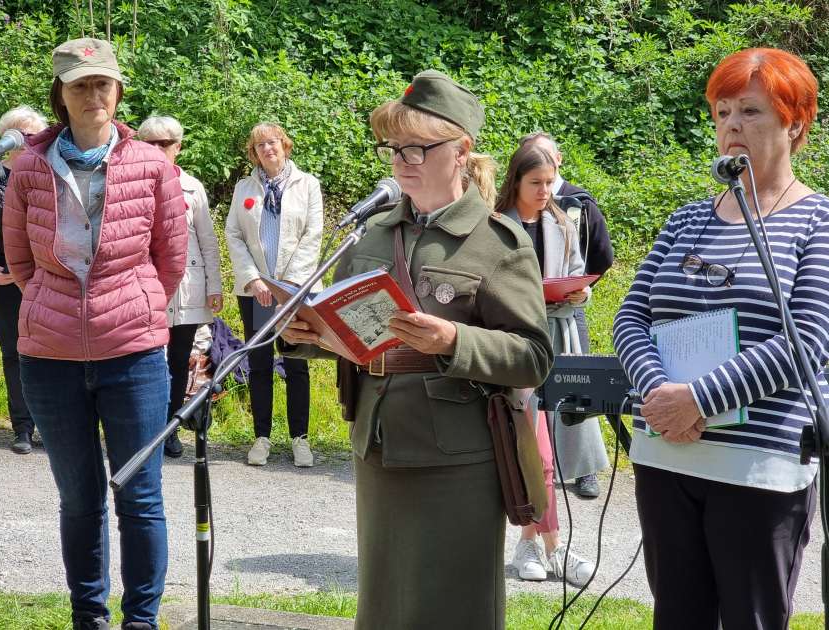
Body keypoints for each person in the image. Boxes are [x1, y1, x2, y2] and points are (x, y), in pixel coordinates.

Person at [280, 69, 553, 629]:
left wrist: (455, 340)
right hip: (379, 443)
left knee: (453, 608)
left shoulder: (497, 242)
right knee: (384, 606)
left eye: (418, 148)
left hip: (457, 457)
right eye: (394, 147)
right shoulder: (375, 234)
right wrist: (308, 337)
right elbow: (358, 333)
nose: (403, 160)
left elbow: (533, 355)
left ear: (461, 150)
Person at [613, 47, 824, 629]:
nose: (732, 126)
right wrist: (661, 395)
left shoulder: (817, 222)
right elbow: (630, 319)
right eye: (723, 112)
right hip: (666, 455)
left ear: (795, 124)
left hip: (758, 468)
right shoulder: (686, 220)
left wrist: (699, 399)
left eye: (751, 112)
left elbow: (807, 341)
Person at [2, 38, 186, 630]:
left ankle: (141, 620)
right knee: (79, 498)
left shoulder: (153, 165)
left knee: (140, 496)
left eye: (103, 83)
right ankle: (89, 616)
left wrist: (131, 306)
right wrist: (55, 307)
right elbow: (21, 263)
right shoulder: (28, 167)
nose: (93, 93)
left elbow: (170, 258)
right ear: (60, 94)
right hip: (50, 357)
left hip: (132, 353)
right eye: (80, 84)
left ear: (119, 91)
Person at [496, 144, 595, 586]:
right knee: (533, 449)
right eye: (535, 183)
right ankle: (544, 545)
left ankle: (537, 544)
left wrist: (581, 293)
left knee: (554, 443)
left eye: (550, 182)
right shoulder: (495, 226)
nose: (544, 191)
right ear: (515, 181)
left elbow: (577, 270)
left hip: (559, 338)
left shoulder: (561, 222)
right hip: (516, 345)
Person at [519, 131, 612, 498]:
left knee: (577, 385)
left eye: (547, 157)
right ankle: (534, 462)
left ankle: (584, 469)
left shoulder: (578, 203)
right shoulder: (509, 211)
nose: (542, 187)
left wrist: (580, 288)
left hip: (567, 311)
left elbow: (601, 255)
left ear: (558, 158)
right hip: (527, 315)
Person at [225, 122, 323, 468]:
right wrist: (254, 280)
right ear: (253, 153)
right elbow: (233, 235)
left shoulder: (308, 184)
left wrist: (290, 288)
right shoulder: (244, 188)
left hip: (297, 292)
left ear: (285, 145)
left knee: (297, 362)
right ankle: (261, 437)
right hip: (257, 293)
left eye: (273, 142)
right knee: (260, 363)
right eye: (260, 145)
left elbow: (313, 235)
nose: (268, 149)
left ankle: (300, 438)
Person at [137, 115, 222, 458]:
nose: (159, 149)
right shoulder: (129, 181)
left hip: (186, 287)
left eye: (166, 143)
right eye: (151, 143)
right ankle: (145, 430)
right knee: (145, 362)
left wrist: (214, 286)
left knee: (176, 362)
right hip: (144, 288)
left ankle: (170, 431)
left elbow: (207, 241)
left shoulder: (193, 186)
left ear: (178, 147)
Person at [0, 105, 47, 454]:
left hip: (43, 277)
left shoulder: (46, 172)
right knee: (13, 350)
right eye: (21, 135)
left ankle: (51, 423)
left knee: (48, 351)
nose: (28, 141)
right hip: (2, 277)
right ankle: (22, 428)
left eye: (32, 135)